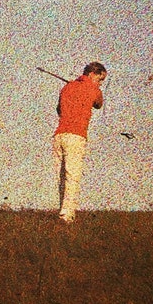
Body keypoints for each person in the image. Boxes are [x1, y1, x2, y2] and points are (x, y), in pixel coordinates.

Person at [53, 62, 107, 223]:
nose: (101, 82)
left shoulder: (67, 88)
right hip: (76, 136)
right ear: (92, 74)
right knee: (72, 176)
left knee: (62, 177)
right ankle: (67, 216)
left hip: (59, 135)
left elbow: (59, 110)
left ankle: (63, 211)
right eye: (101, 78)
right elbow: (98, 104)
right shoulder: (94, 89)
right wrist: (93, 89)